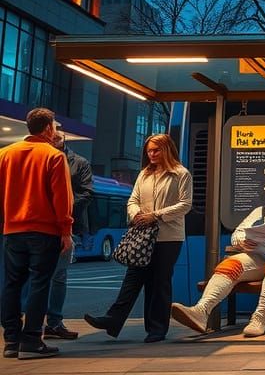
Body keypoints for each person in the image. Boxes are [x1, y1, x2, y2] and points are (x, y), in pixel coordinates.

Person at [171, 166, 265, 337]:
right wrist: (243, 242)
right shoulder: (260, 212)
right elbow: (237, 233)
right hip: (261, 256)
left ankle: (260, 318)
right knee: (230, 265)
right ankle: (201, 311)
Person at [85, 134, 192, 343]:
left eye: (156, 150)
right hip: (143, 234)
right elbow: (133, 200)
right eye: (149, 151)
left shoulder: (181, 174)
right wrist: (136, 214)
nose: (151, 154)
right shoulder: (144, 173)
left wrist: (156, 215)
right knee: (133, 277)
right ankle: (112, 319)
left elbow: (185, 204)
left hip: (168, 237)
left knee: (159, 282)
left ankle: (157, 328)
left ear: (167, 149)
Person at [0, 108, 73, 360]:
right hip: (44, 231)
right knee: (40, 284)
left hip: (12, 231)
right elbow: (62, 199)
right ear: (48, 128)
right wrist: (66, 231)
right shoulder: (54, 156)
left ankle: (11, 341)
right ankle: (31, 340)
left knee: (11, 284)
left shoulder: (5, 154)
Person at [43, 130, 93, 341]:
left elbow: (86, 193)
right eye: (51, 136)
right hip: (40, 223)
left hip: (66, 224)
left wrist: (61, 209)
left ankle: (53, 322)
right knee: (37, 276)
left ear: (63, 139)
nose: (53, 139)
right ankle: (34, 323)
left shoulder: (79, 163)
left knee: (58, 276)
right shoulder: (41, 157)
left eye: (57, 137)